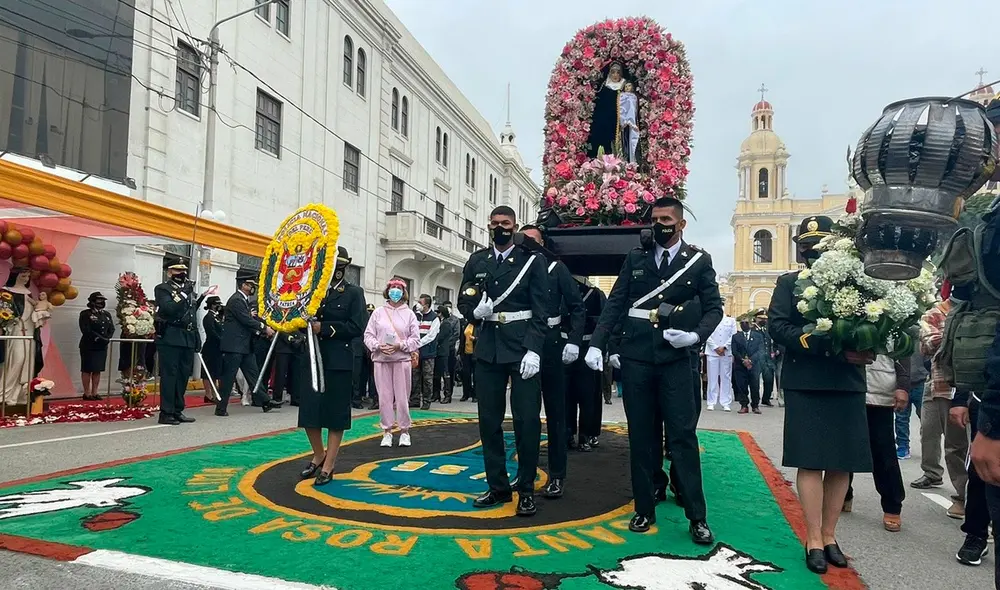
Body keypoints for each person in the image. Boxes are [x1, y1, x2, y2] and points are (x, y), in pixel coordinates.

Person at [585, 197, 722, 544]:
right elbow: (616, 302)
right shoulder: (637, 258)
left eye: (666, 219)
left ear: (681, 225)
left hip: (676, 359)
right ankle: (644, 507)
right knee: (642, 437)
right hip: (638, 359)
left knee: (682, 438)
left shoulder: (698, 261)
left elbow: (714, 309)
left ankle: (697, 516)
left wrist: (694, 336)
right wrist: (598, 344)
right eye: (655, 218)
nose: (659, 224)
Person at [767, 215, 874, 575]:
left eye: (820, 246)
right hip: (807, 379)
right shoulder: (788, 283)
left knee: (841, 462)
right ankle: (812, 537)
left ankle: (830, 535)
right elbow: (778, 326)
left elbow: (872, 322)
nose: (812, 253)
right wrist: (827, 343)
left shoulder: (857, 281)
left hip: (846, 380)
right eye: (807, 247)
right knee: (810, 460)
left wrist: (868, 345)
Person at [457, 205, 548, 517]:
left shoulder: (531, 260)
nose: (500, 228)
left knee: (526, 422)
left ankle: (525, 490)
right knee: (489, 422)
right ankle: (497, 486)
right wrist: (473, 312)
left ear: (516, 226)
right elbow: (464, 299)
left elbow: (541, 310)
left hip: (522, 348)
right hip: (489, 349)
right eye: (495, 223)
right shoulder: (477, 261)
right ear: (488, 226)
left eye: (505, 223)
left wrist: (535, 349)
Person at [521, 224, 586, 498]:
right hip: (522, 345)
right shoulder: (515, 269)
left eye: (533, 242)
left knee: (556, 414)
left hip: (551, 344)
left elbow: (577, 307)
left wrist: (573, 340)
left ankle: (557, 474)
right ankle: (526, 473)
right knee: (526, 415)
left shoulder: (556, 269)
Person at [298, 246, 367, 485]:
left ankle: (330, 464)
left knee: (335, 413)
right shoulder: (311, 294)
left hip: (338, 359)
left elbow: (357, 327)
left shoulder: (353, 293)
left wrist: (324, 328)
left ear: (341, 268)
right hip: (313, 358)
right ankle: (318, 454)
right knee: (309, 411)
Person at [915, 292, 969, 520]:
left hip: (971, 386)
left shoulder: (977, 311)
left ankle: (966, 496)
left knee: (962, 446)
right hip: (940, 384)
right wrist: (954, 334)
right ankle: (940, 479)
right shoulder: (935, 313)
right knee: (935, 436)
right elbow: (927, 344)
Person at [843, 354, 910, 531]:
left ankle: (892, 506)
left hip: (881, 393)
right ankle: (843, 494)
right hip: (847, 386)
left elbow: (903, 356)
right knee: (843, 445)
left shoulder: (898, 327)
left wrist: (903, 386)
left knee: (883, 451)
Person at [364, 278, 421, 447]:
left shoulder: (409, 313)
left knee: (403, 397)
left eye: (398, 288)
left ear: (404, 292)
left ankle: (404, 431)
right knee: (384, 398)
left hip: (402, 360)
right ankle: (387, 431)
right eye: (392, 288)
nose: (395, 291)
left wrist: (400, 345)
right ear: (387, 290)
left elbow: (415, 339)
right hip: (381, 360)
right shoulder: (378, 312)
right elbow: (368, 335)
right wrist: (377, 346)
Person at [215, 269, 280, 416]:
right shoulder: (237, 299)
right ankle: (221, 407)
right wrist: (264, 328)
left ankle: (265, 402)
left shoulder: (243, 300)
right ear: (244, 285)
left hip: (244, 346)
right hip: (234, 346)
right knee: (228, 376)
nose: (253, 287)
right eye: (251, 285)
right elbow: (246, 320)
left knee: (253, 375)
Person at [153, 255, 205, 425]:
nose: (182, 273)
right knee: (170, 375)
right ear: (169, 272)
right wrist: (184, 293)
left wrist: (197, 336)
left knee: (183, 376)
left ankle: (177, 409)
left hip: (187, 337)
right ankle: (166, 412)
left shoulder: (188, 291)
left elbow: (192, 315)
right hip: (171, 336)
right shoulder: (163, 289)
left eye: (183, 270)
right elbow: (168, 308)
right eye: (177, 270)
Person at [952, 385, 992, 566]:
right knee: (981, 471)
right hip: (988, 401)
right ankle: (976, 535)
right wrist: (960, 400)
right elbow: (966, 359)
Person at [566, 277, 606, 452]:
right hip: (566, 347)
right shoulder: (562, 290)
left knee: (588, 396)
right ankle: (569, 433)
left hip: (588, 348)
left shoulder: (596, 295)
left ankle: (586, 434)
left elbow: (604, 321)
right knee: (566, 395)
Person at [78, 292, 114, 400]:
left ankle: (95, 392)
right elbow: (86, 330)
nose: (101, 303)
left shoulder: (106, 314)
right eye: (98, 300)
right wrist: (99, 338)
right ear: (92, 301)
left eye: (102, 300)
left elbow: (111, 328)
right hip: (89, 345)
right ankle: (87, 393)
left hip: (102, 346)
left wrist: (107, 338)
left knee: (97, 369)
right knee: (87, 369)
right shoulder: (85, 314)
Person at [895, 348, 928, 459]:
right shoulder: (897, 336)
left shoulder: (922, 333)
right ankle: (903, 446)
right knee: (901, 417)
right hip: (902, 384)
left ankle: (928, 447)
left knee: (926, 418)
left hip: (920, 382)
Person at [410, 294, 440, 410]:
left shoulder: (434, 318)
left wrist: (417, 343)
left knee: (427, 378)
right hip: (416, 353)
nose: (418, 304)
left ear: (426, 305)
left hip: (428, 353)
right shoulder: (416, 316)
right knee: (414, 377)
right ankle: (415, 400)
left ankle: (427, 400)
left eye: (420, 302)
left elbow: (431, 336)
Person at [704, 305, 736, 411]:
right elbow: (706, 334)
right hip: (712, 352)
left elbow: (733, 335)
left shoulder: (731, 321)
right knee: (712, 378)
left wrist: (725, 347)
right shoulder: (709, 319)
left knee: (726, 377)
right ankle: (711, 401)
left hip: (726, 352)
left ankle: (725, 402)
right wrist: (715, 347)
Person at [732, 319, 765, 414]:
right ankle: (744, 405)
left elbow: (760, 350)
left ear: (750, 324)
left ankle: (755, 405)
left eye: (746, 323)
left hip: (754, 365)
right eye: (742, 323)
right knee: (742, 386)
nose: (744, 324)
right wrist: (743, 360)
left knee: (755, 386)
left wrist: (751, 360)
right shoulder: (736, 337)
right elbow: (734, 351)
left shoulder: (758, 336)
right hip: (740, 365)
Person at [434, 302, 460, 404]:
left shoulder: (446, 324)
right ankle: (436, 394)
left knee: (445, 373)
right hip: (438, 351)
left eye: (438, 313)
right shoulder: (440, 322)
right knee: (436, 373)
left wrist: (434, 339)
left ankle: (447, 395)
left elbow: (440, 337)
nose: (437, 314)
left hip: (444, 351)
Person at [200, 295, 224, 403]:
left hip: (217, 348)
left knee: (215, 372)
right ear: (212, 305)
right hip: (210, 347)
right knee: (208, 371)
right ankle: (208, 394)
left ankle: (215, 393)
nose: (219, 306)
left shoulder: (217, 317)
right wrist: (222, 340)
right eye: (216, 304)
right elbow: (212, 333)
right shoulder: (208, 317)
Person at [755, 312, 777, 407]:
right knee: (755, 381)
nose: (763, 320)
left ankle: (766, 398)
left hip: (767, 358)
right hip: (756, 359)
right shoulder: (753, 330)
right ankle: (755, 400)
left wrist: (775, 351)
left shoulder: (767, 330)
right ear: (755, 318)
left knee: (769, 379)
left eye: (765, 318)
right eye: (761, 318)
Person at [362, 303, 378, 409]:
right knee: (365, 376)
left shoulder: (377, 321)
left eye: (371, 312)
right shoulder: (365, 322)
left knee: (375, 378)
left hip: (375, 353)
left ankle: (375, 398)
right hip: (365, 353)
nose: (370, 313)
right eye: (368, 311)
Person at [459, 319, 476, 402]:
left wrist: (475, 338)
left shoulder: (479, 325)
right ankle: (466, 393)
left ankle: (475, 395)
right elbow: (462, 338)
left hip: (475, 353)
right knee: (466, 374)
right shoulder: (466, 324)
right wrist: (460, 352)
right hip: (466, 353)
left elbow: (482, 338)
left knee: (475, 375)